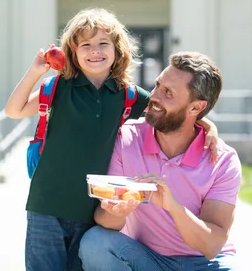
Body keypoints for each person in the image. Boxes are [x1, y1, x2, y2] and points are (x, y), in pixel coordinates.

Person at [3, 9, 222, 271]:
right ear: (73, 52)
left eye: (103, 43)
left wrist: (207, 124)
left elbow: (167, 110)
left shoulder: (128, 94)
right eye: (85, 44)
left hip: (90, 210)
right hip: (45, 206)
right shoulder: (59, 87)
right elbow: (13, 110)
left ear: (117, 49)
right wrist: (35, 72)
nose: (95, 50)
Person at [79, 51, 242, 271]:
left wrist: (174, 207)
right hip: (146, 259)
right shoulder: (125, 139)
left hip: (205, 264)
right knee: (96, 242)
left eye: (168, 92)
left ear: (196, 108)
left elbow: (211, 245)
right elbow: (105, 219)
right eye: (157, 85)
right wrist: (118, 213)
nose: (154, 96)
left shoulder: (222, 160)